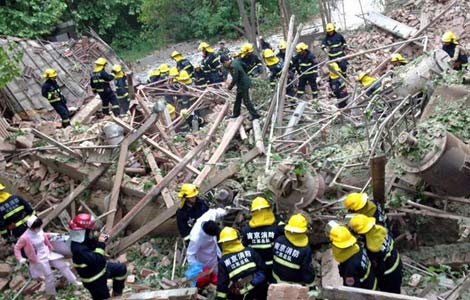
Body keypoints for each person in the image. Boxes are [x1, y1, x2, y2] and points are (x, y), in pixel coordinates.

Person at [15, 215, 79, 299]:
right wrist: (20, 258)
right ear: (31, 227)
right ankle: (51, 293)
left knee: (63, 265)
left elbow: (45, 235)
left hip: (48, 252)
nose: (39, 228)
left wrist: (61, 237)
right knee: (49, 276)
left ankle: (74, 281)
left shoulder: (39, 230)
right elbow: (17, 248)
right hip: (38, 258)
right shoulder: (24, 237)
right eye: (37, 227)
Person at [69, 213, 127, 300]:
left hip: (100, 269)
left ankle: (117, 295)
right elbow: (97, 259)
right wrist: (101, 244)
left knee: (121, 269)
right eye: (91, 230)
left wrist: (99, 239)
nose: (93, 231)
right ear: (84, 231)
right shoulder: (78, 248)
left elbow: (91, 244)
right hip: (94, 280)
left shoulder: (82, 239)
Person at [349, 214, 402, 293]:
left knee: (389, 294)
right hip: (396, 260)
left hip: (388, 272)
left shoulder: (373, 246)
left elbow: (379, 268)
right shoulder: (379, 229)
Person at [216, 226, 267, 300]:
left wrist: (220, 298)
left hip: (241, 293)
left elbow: (222, 285)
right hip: (260, 288)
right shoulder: (250, 251)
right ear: (237, 239)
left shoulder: (223, 261)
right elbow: (263, 268)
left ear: (222, 243)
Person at [241, 197, 283, 283]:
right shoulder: (276, 227)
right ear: (268, 209)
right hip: (274, 265)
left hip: (257, 268)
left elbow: (244, 248)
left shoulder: (246, 230)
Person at [328, 221, 377, 290]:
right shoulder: (357, 247)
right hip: (371, 281)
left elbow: (352, 290)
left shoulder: (350, 267)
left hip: (366, 291)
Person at [187, 208, 227, 288]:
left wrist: (225, 211)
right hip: (205, 259)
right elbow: (190, 255)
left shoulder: (208, 217)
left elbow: (215, 212)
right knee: (214, 275)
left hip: (215, 252)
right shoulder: (196, 238)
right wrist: (198, 269)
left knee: (220, 271)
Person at [272, 214, 315, 288]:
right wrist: (311, 285)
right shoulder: (305, 250)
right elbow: (306, 270)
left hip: (276, 280)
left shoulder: (279, 240)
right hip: (294, 285)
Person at [220, 55, 260, 120]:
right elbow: (244, 65)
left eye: (224, 64)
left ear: (225, 62)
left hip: (244, 84)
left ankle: (255, 115)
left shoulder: (233, 66)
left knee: (246, 101)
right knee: (238, 99)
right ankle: (236, 114)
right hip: (241, 83)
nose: (225, 65)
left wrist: (230, 87)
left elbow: (235, 78)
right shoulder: (235, 61)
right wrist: (244, 74)